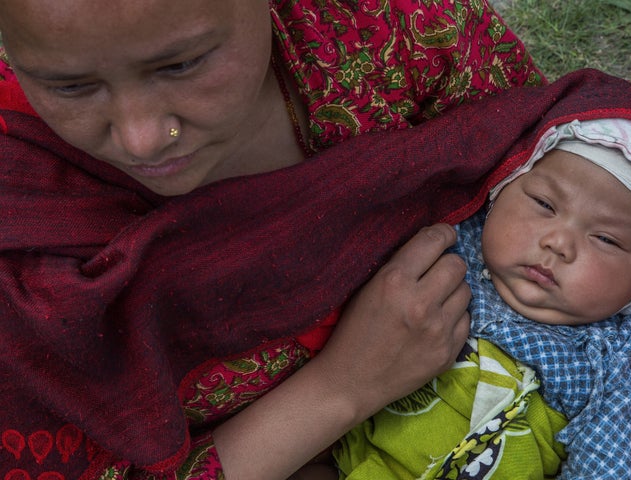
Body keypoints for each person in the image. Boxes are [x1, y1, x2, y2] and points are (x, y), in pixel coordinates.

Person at [0, 0, 545, 479]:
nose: (143, 137)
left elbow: (560, 179)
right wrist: (341, 389)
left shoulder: (399, 35)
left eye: (182, 64)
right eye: (69, 86)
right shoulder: (17, 196)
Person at [332, 117, 631, 479]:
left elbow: (608, 462)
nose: (558, 243)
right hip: (349, 456)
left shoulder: (624, 351)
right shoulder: (448, 242)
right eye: (544, 204)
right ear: (499, 194)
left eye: (606, 239)